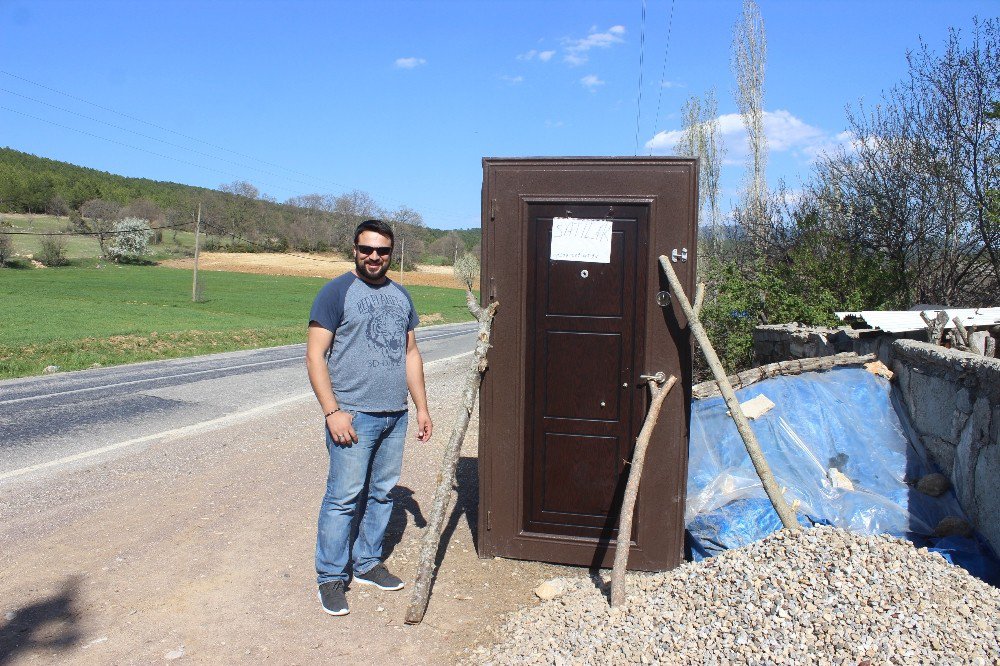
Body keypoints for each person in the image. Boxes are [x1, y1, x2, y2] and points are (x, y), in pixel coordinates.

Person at [305, 219, 433, 616]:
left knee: (382, 493)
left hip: (395, 415)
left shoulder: (401, 295)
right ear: (355, 250)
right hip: (353, 415)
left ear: (391, 253)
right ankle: (330, 577)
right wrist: (332, 411)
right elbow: (315, 356)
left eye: (382, 251)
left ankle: (367, 563)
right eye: (367, 249)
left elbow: (410, 353)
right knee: (343, 498)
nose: (374, 256)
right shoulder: (336, 292)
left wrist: (421, 407)